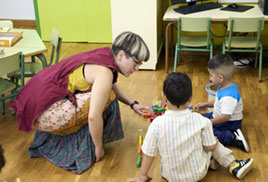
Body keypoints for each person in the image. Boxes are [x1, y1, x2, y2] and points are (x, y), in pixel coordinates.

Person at [10, 31, 153, 174]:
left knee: (106, 93)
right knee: (108, 97)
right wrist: (98, 147)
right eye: (136, 62)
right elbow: (93, 116)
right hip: (42, 115)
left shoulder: (104, 55)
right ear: (121, 55)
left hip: (33, 105)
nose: (137, 68)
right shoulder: (105, 72)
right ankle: (79, 146)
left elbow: (110, 84)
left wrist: (133, 104)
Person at [132, 72, 253, 182]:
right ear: (190, 98)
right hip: (198, 173)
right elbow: (210, 146)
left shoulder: (156, 124)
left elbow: (149, 152)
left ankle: (213, 161)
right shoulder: (202, 121)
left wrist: (143, 176)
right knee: (213, 141)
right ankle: (233, 165)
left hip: (170, 176)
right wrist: (213, 143)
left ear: (164, 97)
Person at [195, 54, 249, 152]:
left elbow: (225, 117)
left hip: (229, 124)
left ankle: (233, 138)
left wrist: (209, 123)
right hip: (217, 116)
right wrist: (205, 104)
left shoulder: (229, 96)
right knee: (197, 119)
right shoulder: (224, 86)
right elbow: (218, 101)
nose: (210, 77)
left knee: (207, 133)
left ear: (220, 78)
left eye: (211, 75)